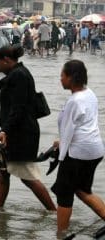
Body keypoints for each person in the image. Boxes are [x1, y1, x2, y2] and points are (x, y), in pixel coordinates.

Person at [0, 45, 56, 210]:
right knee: (3, 172)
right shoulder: (19, 73)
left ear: (6, 60)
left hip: (20, 133)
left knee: (27, 176)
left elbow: (18, 108)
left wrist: (5, 130)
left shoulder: (19, 76)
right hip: (15, 130)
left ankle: (53, 211)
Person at [51, 60, 105, 234]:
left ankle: (61, 235)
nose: (60, 79)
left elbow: (68, 132)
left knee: (64, 194)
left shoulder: (74, 101)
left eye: (62, 75)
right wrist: (61, 142)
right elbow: (83, 124)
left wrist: (59, 158)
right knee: (82, 190)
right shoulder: (90, 93)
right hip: (95, 150)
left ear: (71, 78)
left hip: (78, 153)